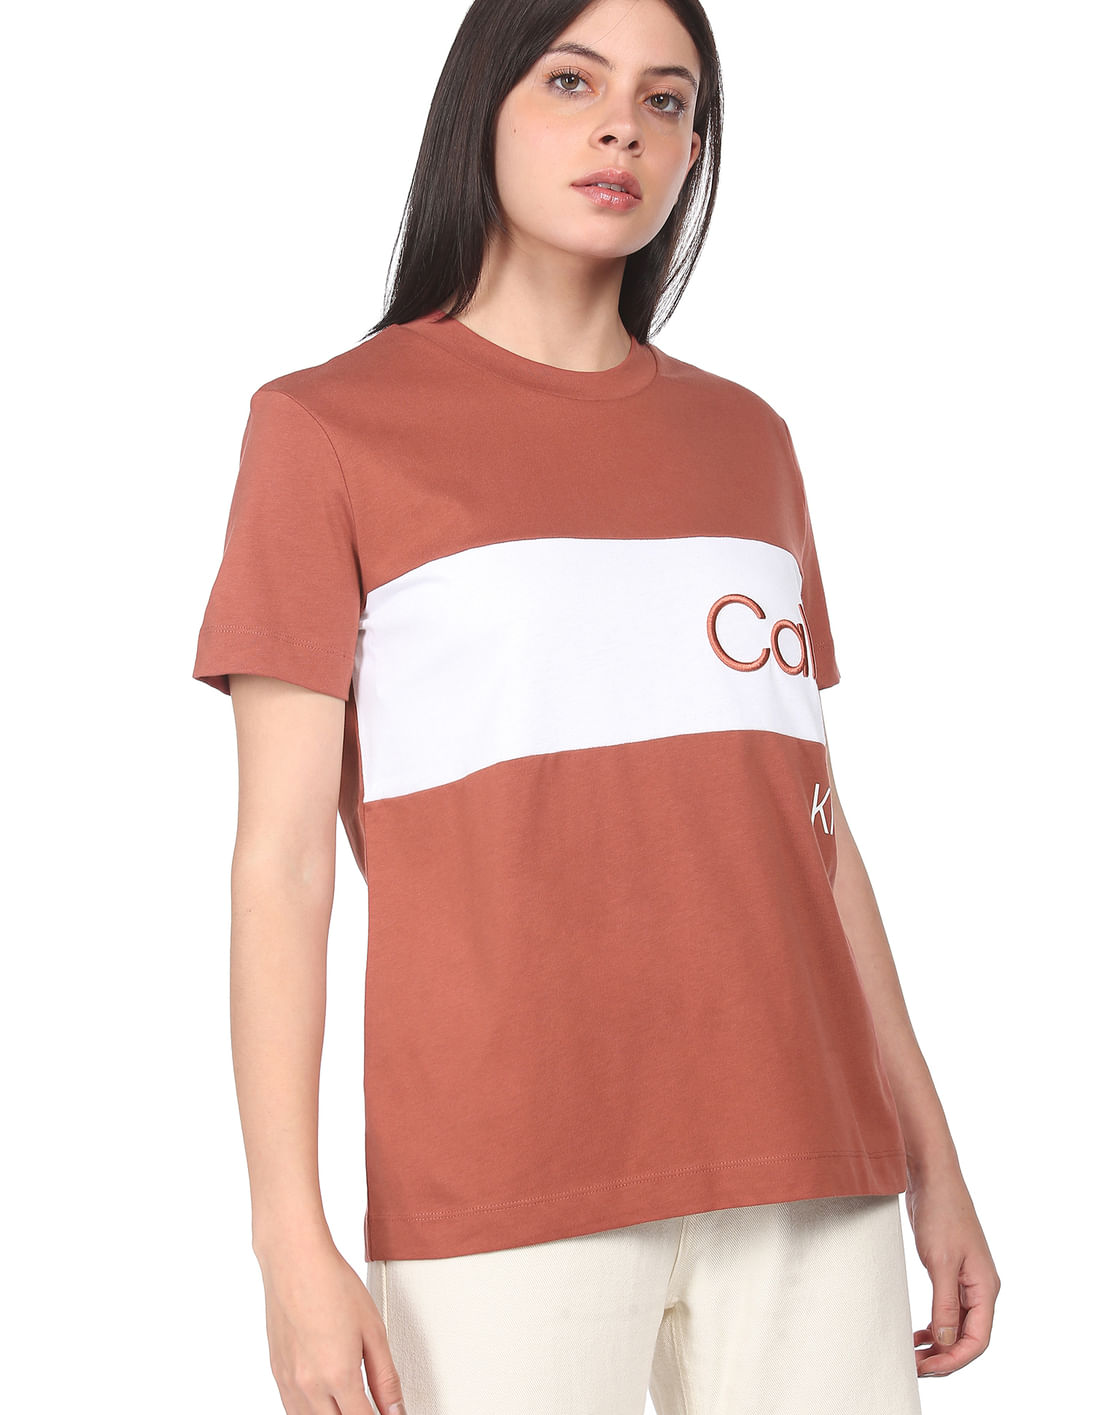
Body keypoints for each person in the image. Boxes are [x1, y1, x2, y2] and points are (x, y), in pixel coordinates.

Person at [191, 0, 1001, 1411]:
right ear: (483, 108)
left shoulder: (746, 440)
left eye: (666, 100)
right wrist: (288, 1239)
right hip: (505, 1176)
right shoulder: (327, 427)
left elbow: (811, 831)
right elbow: (282, 865)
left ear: (693, 147)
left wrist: (932, 1157)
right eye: (572, 82)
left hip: (811, 1164)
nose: (622, 126)